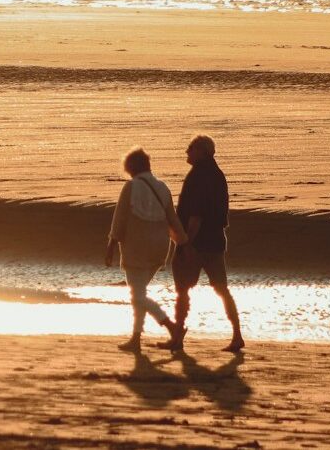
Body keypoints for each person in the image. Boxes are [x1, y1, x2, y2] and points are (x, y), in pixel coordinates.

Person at [163, 134, 245, 353]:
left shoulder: (199, 175)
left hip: (197, 242)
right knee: (221, 289)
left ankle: (178, 336)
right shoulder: (218, 175)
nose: (186, 152)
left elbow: (196, 214)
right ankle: (237, 335)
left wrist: (186, 243)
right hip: (216, 241)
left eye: (190, 148)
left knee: (182, 289)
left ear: (201, 152)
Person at [104, 146, 186, 352]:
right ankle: (136, 339)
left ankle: (171, 326)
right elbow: (173, 219)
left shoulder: (131, 187)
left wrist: (111, 245)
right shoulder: (163, 187)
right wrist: (183, 242)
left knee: (137, 296)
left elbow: (119, 218)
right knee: (139, 293)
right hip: (159, 249)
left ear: (131, 167)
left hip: (136, 248)